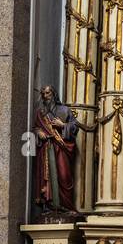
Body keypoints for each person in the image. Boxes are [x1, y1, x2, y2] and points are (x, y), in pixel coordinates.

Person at [34, 84, 78, 213]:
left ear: (54, 94)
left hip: (62, 148)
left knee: (64, 176)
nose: (45, 96)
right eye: (43, 94)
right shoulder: (41, 112)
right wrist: (38, 133)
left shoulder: (64, 110)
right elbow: (36, 127)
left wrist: (63, 125)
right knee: (47, 176)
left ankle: (66, 206)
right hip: (47, 149)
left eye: (48, 93)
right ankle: (50, 205)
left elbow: (75, 127)